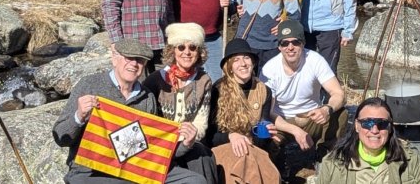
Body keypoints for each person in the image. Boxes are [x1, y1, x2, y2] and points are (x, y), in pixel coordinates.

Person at [52, 38, 206, 184]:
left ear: (144, 66)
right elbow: (61, 138)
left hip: (136, 168)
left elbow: (155, 151)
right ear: (115, 59)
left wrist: (186, 143)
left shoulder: (147, 97)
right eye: (128, 58)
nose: (134, 64)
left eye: (140, 60)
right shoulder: (89, 85)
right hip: (92, 169)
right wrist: (79, 116)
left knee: (195, 181)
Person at [208, 38, 305, 171]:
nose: (243, 63)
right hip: (225, 145)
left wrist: (266, 133)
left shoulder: (264, 91)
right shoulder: (217, 90)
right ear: (229, 67)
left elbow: (262, 128)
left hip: (252, 145)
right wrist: (231, 136)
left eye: (246, 58)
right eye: (236, 60)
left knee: (272, 145)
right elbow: (210, 135)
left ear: (253, 62)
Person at [143, 23, 217, 183]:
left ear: (199, 52)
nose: (187, 52)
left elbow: (201, 122)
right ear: (173, 51)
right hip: (159, 142)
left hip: (191, 139)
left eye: (193, 47)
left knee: (202, 156)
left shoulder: (203, 80)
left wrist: (187, 139)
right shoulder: (155, 80)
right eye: (181, 47)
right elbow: (146, 118)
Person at [260, 21, 347, 155]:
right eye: (285, 43)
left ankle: (324, 154)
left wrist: (326, 109)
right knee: (267, 140)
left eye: (295, 42)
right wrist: (295, 131)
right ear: (279, 47)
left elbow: (338, 93)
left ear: (303, 43)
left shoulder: (315, 60)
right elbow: (268, 113)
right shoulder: (269, 69)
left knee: (341, 114)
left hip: (311, 117)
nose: (290, 47)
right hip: (282, 121)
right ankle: (280, 159)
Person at [316, 97, 420, 184]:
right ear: (357, 126)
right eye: (367, 123)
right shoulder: (333, 163)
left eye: (382, 124)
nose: (374, 130)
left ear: (390, 127)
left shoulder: (409, 159)